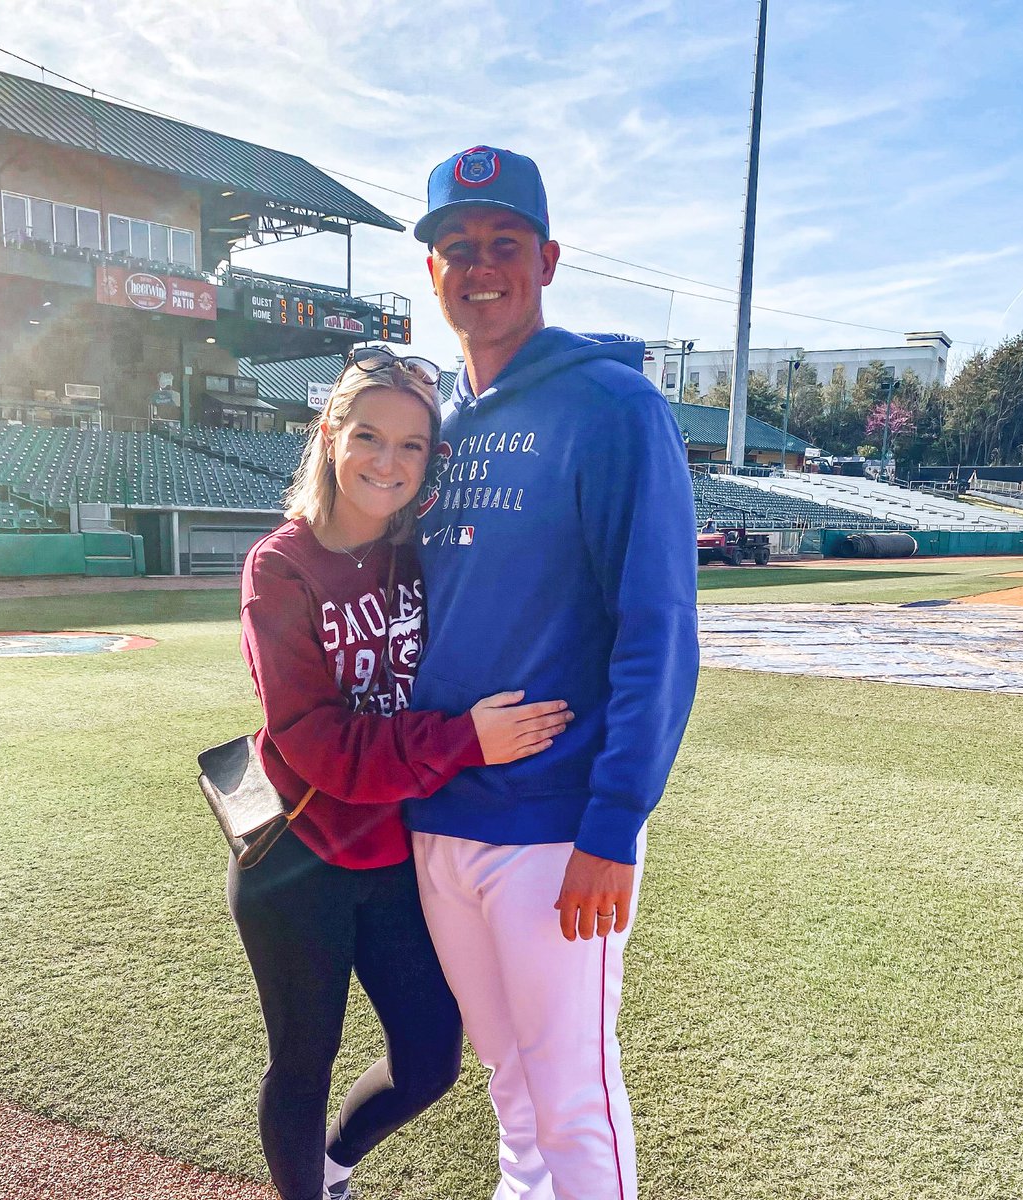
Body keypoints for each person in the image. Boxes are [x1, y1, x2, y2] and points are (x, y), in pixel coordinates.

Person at [407, 146, 701, 1200]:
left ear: (548, 258)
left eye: (504, 245)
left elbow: (658, 628)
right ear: (431, 272)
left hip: (552, 826)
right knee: (512, 1084)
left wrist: (614, 825)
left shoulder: (613, 406)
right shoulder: (430, 425)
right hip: (440, 814)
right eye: (455, 249)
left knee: (573, 1097)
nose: (480, 267)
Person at [230, 347, 574, 1200]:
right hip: (296, 859)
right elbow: (316, 744)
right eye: (370, 437)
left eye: (412, 446)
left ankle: (335, 1169)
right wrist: (463, 742)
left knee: (429, 1061)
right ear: (330, 436)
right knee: (302, 1066)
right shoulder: (280, 567)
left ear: (432, 459)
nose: (388, 462)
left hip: (395, 858)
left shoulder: (420, 555)